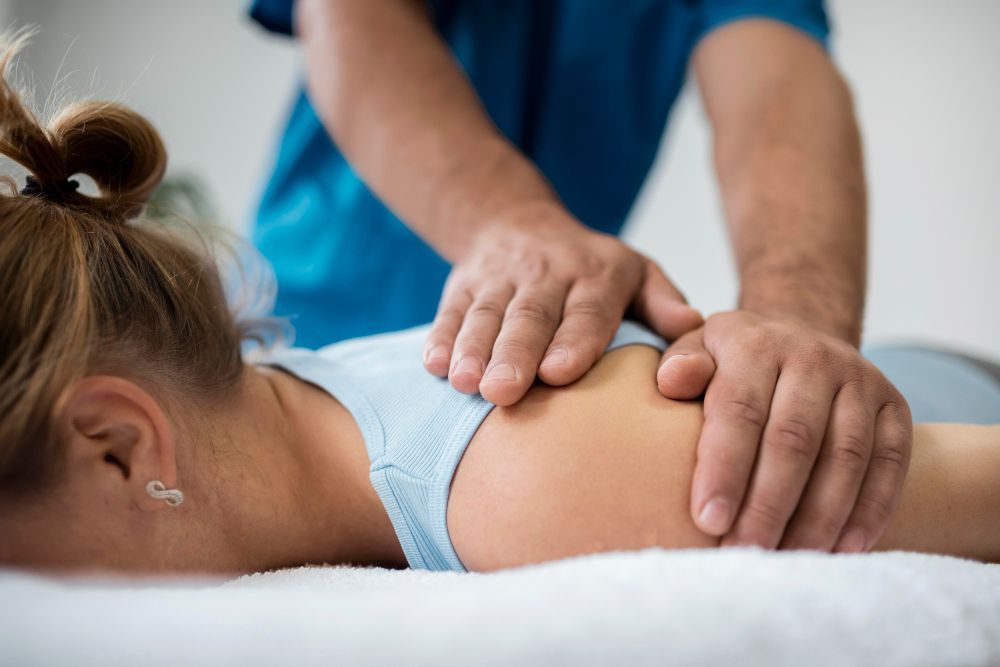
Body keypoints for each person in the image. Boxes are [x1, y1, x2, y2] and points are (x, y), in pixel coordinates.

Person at [1, 52, 998, 574]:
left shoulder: (533, 482)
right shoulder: (331, 405)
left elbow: (778, 72)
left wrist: (799, 312)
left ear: (118, 445)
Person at [248, 0, 912, 555]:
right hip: (308, 326)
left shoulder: (579, 455)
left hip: (541, 361)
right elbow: (350, 15)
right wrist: (511, 223)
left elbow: (776, 84)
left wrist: (795, 322)